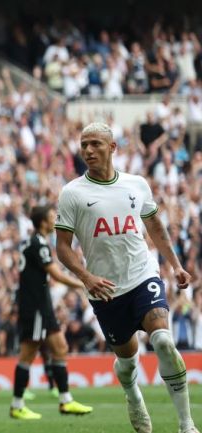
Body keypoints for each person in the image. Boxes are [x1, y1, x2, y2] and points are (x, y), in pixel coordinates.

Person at [55, 122, 198, 433]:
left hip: (143, 273)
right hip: (105, 289)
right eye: (84, 145)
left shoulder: (137, 184)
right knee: (129, 361)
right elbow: (62, 248)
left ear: (113, 147)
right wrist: (85, 276)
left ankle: (186, 424)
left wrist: (174, 266)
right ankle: (133, 395)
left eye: (95, 144)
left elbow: (155, 228)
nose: (88, 151)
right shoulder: (72, 193)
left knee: (162, 339)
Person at [10, 205, 93, 420]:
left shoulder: (34, 242)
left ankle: (66, 401)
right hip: (35, 307)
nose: (54, 219)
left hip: (41, 305)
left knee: (60, 347)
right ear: (43, 222)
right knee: (28, 353)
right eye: (50, 217)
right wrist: (84, 282)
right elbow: (55, 274)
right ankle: (17, 405)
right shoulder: (38, 243)